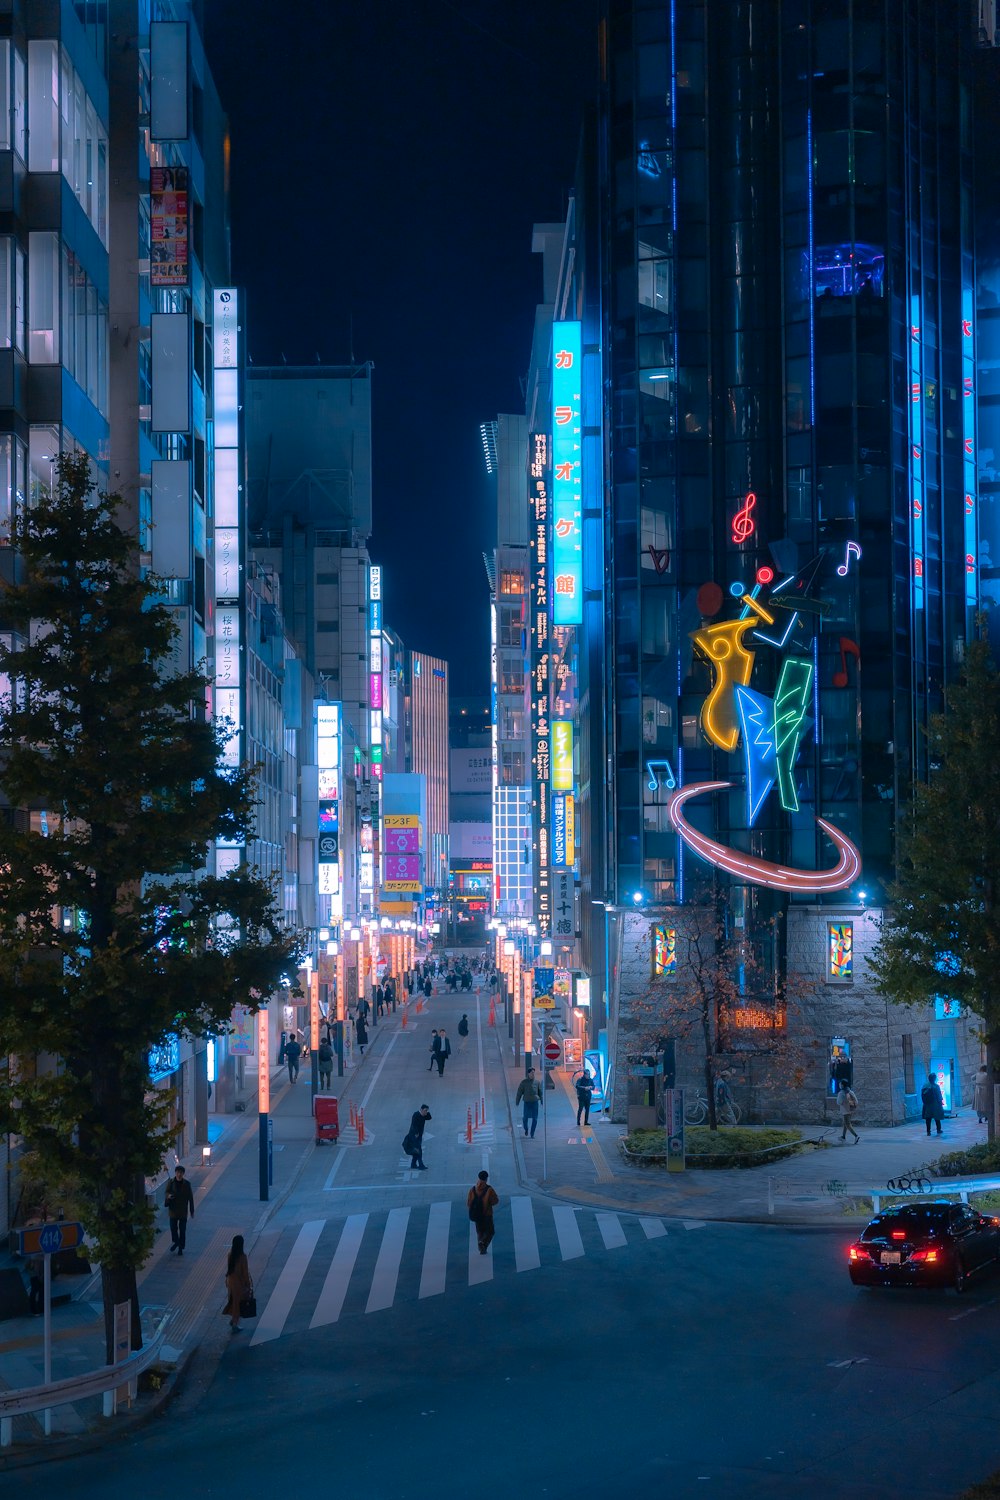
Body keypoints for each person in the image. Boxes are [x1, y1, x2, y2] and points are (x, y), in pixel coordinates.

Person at [222, 1234, 252, 1334]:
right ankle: (235, 1323)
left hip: (230, 1282)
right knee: (237, 1304)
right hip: (238, 1284)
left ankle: (233, 1320)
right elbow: (245, 1272)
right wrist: (247, 1285)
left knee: (233, 1301)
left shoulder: (230, 1254)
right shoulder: (243, 1257)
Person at [164, 1164, 195, 1256]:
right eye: (177, 1172)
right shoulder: (171, 1182)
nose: (179, 1174)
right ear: (175, 1173)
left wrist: (192, 1210)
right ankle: (176, 1242)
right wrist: (169, 1196)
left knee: (182, 1230)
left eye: (181, 1173)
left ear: (183, 1174)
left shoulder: (187, 1184)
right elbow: (166, 1192)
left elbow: (190, 1198)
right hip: (173, 1210)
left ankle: (180, 1247)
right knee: (173, 1229)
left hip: (182, 1211)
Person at [467, 1169, 500, 1255]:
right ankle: (483, 1243)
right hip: (487, 1214)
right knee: (490, 1231)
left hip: (477, 1215)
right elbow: (495, 1201)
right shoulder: (489, 1190)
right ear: (486, 1179)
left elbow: (468, 1203)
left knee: (480, 1231)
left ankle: (481, 1247)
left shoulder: (473, 1189)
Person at [515, 1068, 544, 1138]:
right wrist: (517, 1101)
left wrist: (542, 1101)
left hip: (535, 1102)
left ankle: (532, 1133)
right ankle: (526, 1129)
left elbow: (540, 1093)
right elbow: (519, 1092)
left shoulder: (537, 1082)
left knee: (535, 1119)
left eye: (533, 1073)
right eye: (531, 1073)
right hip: (527, 1102)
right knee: (525, 1118)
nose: (533, 1074)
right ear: (528, 1074)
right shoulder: (524, 1082)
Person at [404, 1104, 431, 1169]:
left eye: (427, 1110)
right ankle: (421, 1165)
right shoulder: (416, 1115)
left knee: (416, 1150)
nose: (426, 1112)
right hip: (414, 1136)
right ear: (421, 1109)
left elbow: (429, 1118)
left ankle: (413, 1164)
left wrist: (427, 1113)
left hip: (419, 1135)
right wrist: (416, 1133)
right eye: (425, 1110)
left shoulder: (424, 1115)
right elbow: (414, 1124)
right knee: (419, 1150)